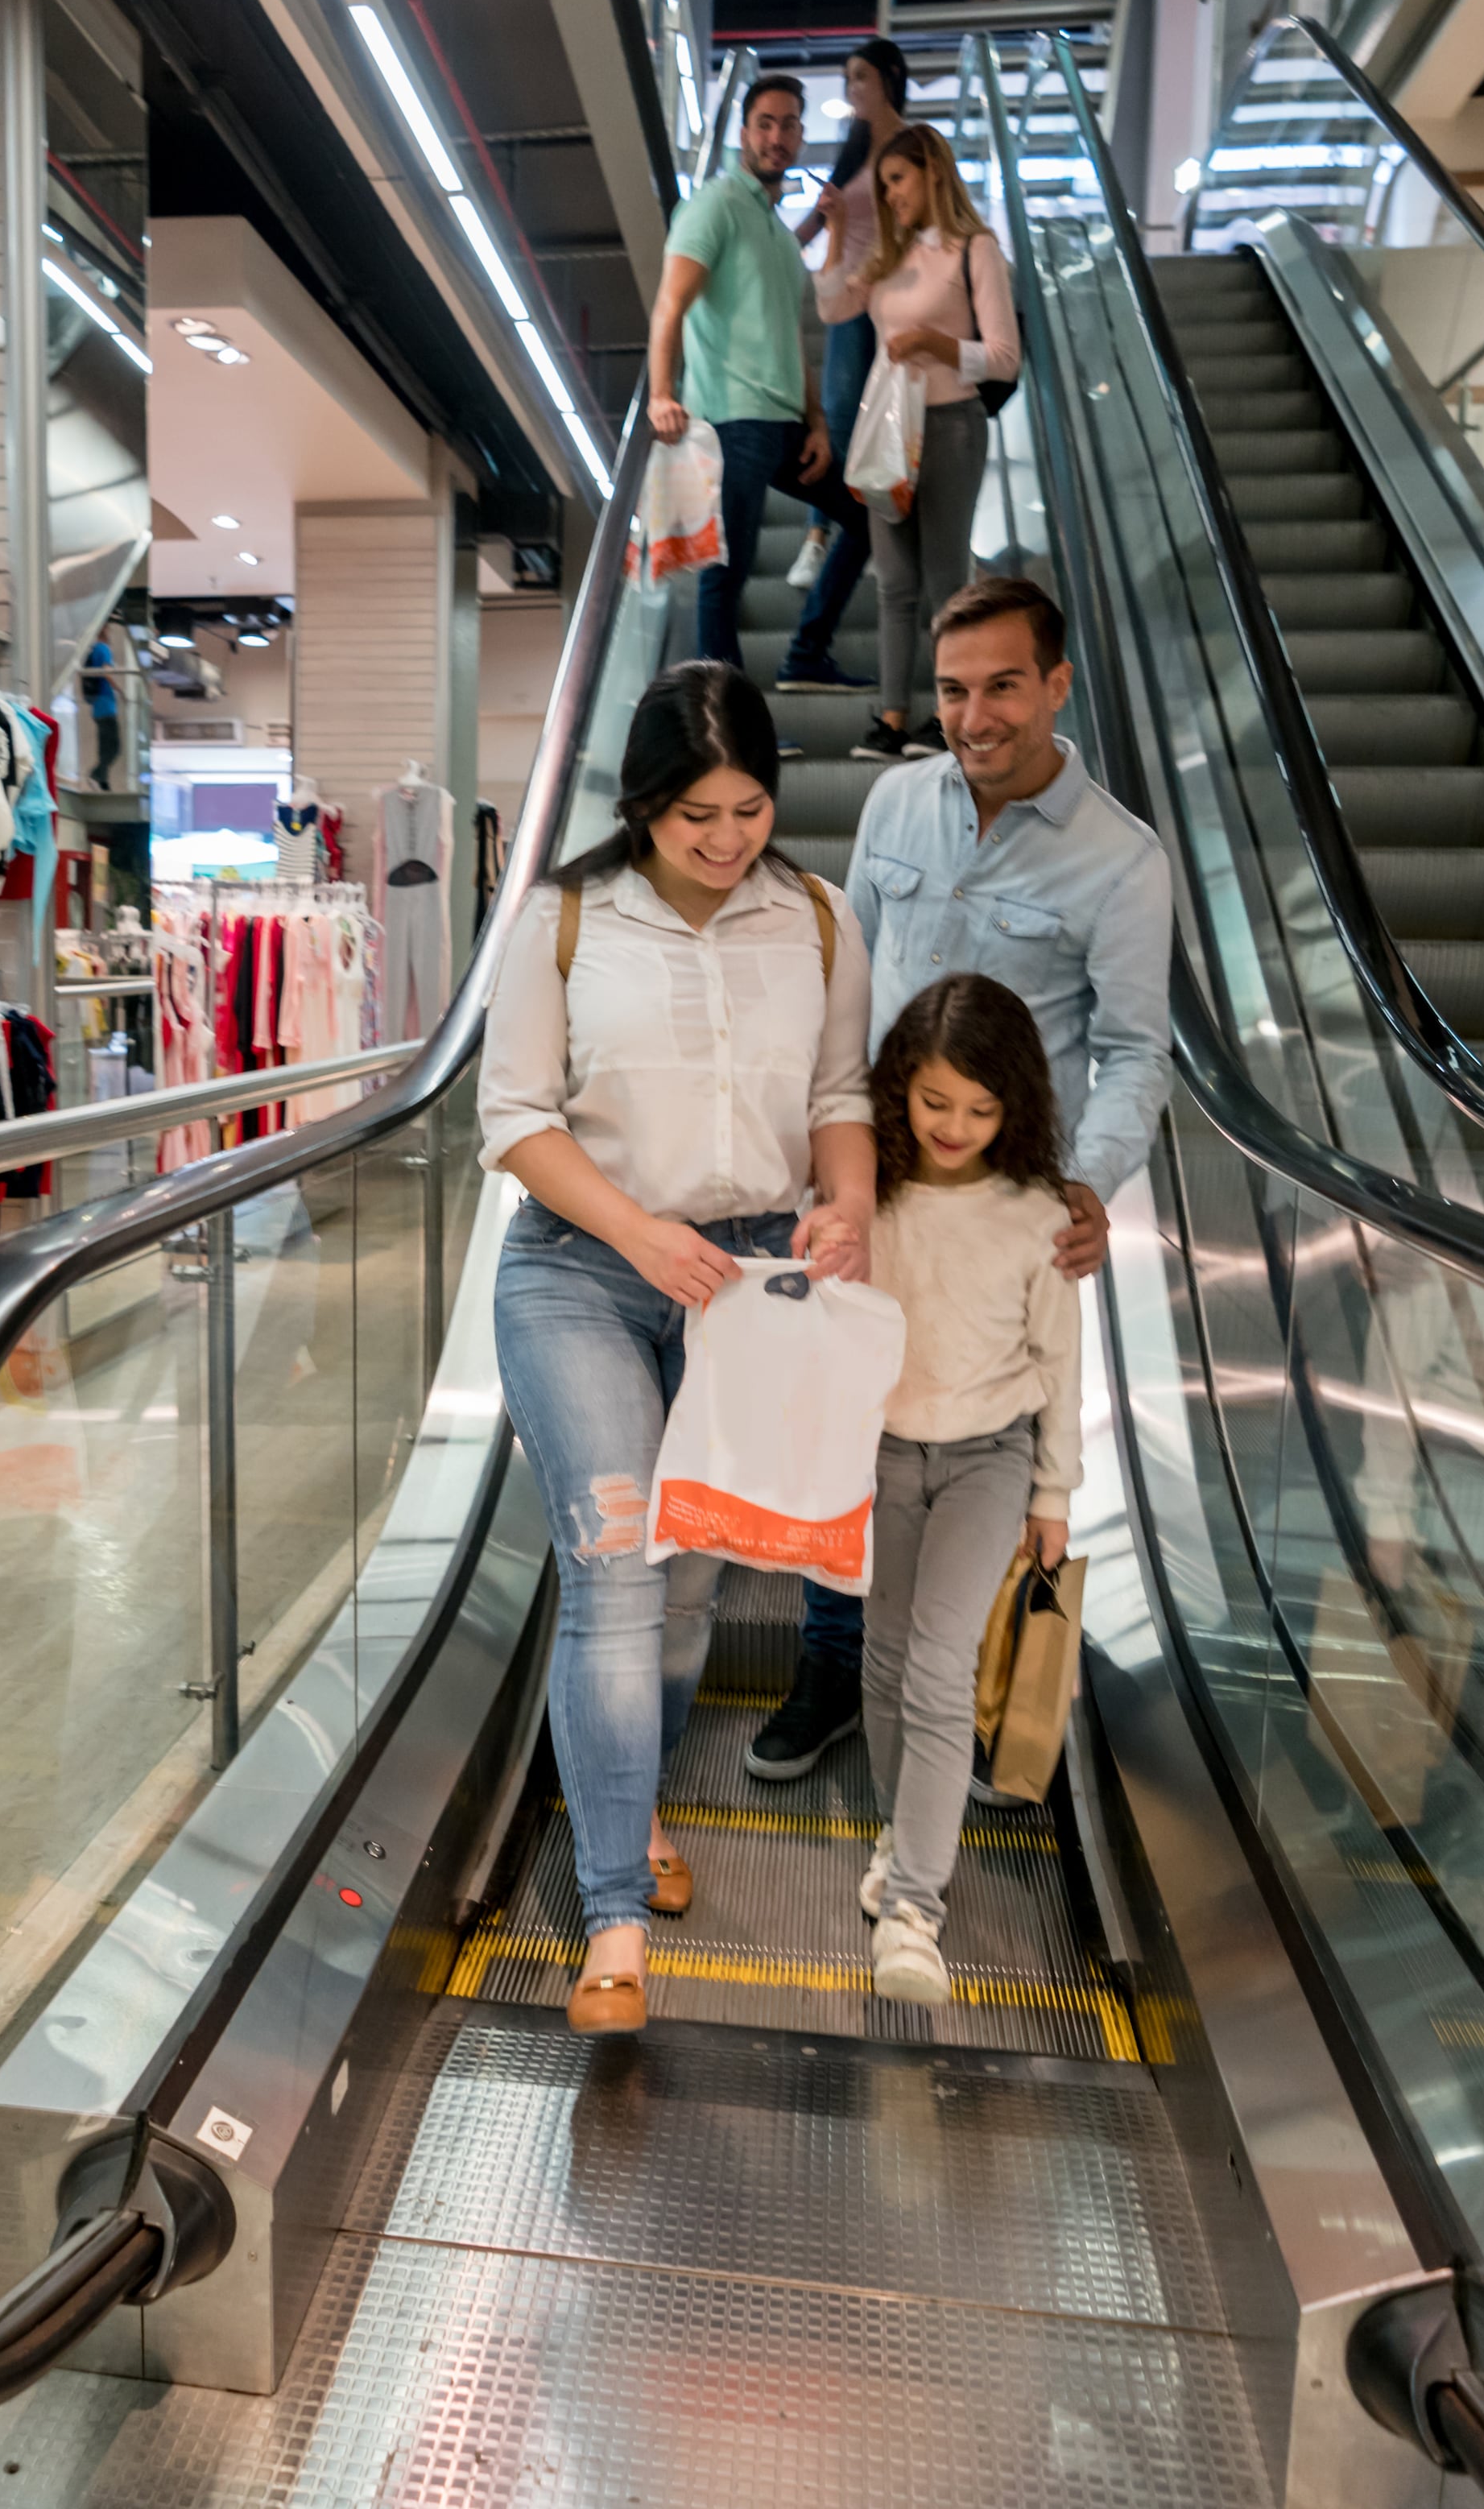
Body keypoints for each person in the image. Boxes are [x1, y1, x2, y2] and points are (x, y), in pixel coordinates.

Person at [479, 660, 876, 2036]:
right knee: (616, 1567)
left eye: (750, 809)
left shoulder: (817, 916)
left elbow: (840, 1091)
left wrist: (847, 1202)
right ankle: (613, 1923)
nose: (725, 839)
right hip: (582, 1269)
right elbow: (515, 1117)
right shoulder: (565, 919)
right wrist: (641, 1234)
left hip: (743, 1283)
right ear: (642, 804)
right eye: (696, 814)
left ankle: (633, 1797)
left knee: (693, 1582)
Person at [750, 573, 1172, 1782]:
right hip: (875, 1187)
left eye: (1001, 687)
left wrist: (1083, 1186)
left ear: (1056, 684)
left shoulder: (1121, 862)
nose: (973, 717)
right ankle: (834, 1664)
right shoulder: (896, 801)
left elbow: (1137, 1051)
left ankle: (959, 1683)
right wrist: (827, 1147)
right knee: (849, 1420)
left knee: (981, 1428)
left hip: (1001, 1205)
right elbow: (850, 981)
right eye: (950, 690)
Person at [851, 973, 1081, 2003]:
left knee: (940, 1663)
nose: (953, 1126)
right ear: (899, 1085)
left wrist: (1053, 1493)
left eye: (980, 1109)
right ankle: (896, 1831)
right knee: (886, 1649)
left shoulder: (1037, 1216)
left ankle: (913, 1911)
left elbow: (1060, 1362)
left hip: (991, 1457)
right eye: (933, 1101)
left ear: (1013, 1106)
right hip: (882, 1452)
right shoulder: (871, 1195)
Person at [848, 122, 1019, 766]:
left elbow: (1004, 358)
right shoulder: (891, 258)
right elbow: (832, 305)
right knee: (894, 581)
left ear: (934, 173)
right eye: (884, 185)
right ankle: (892, 716)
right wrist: (837, 235)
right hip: (891, 431)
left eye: (898, 180)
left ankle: (949, 716)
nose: (890, 195)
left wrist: (933, 344)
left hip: (950, 425)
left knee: (947, 580)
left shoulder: (976, 247)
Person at [648, 75, 826, 672]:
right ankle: (721, 710)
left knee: (865, 513)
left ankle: (808, 655)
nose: (777, 137)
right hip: (734, 418)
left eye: (790, 125)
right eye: (765, 124)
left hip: (786, 423)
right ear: (744, 133)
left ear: (801, 136)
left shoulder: (778, 233)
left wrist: (818, 421)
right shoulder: (715, 205)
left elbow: (790, 336)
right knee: (728, 571)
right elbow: (670, 303)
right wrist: (661, 395)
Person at [779, 37, 911, 689]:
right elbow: (818, 221)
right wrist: (777, 248)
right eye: (848, 78)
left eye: (861, 76)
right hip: (847, 303)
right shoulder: (854, 150)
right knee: (835, 427)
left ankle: (834, 538)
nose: (852, 89)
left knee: (870, 453)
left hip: (896, 308)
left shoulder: (913, 148)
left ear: (889, 77)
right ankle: (816, 535)